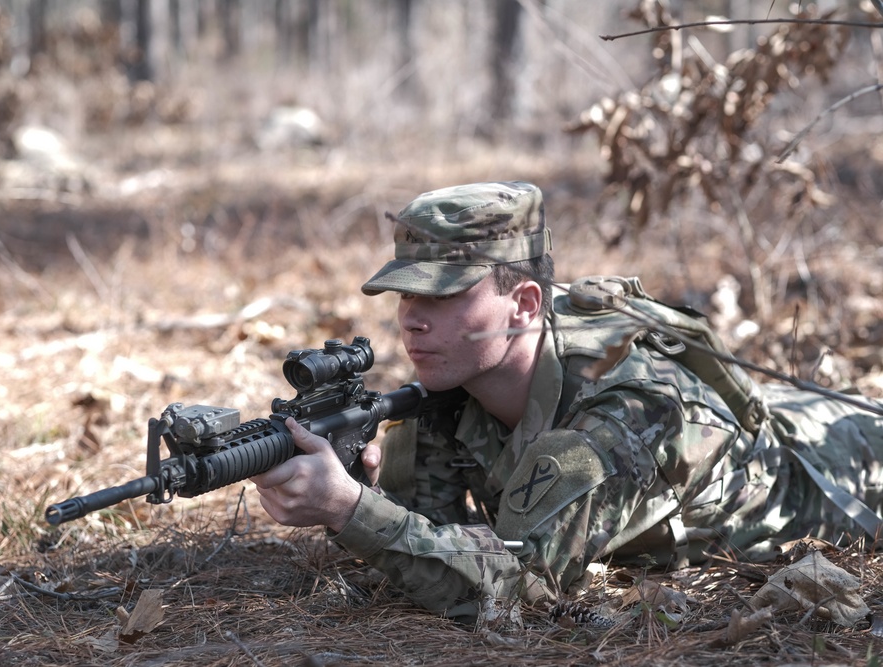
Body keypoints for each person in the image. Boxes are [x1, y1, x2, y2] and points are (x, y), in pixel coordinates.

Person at [251, 181, 883, 622]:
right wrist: (358, 500)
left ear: (525, 305)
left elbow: (516, 590)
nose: (413, 321)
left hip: (839, 464)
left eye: (444, 298)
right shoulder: (453, 387)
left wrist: (349, 508)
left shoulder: (619, 417)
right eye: (406, 298)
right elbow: (424, 550)